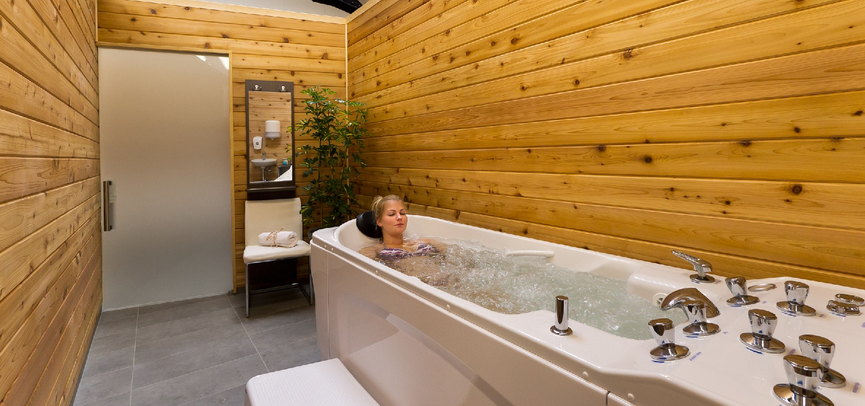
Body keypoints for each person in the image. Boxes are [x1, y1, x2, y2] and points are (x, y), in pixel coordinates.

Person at [359, 195, 451, 285]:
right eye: (392, 214)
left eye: (402, 213)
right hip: (420, 289)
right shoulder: (375, 250)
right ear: (379, 221)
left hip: (449, 282)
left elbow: (451, 257)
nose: (399, 217)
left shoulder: (426, 241)